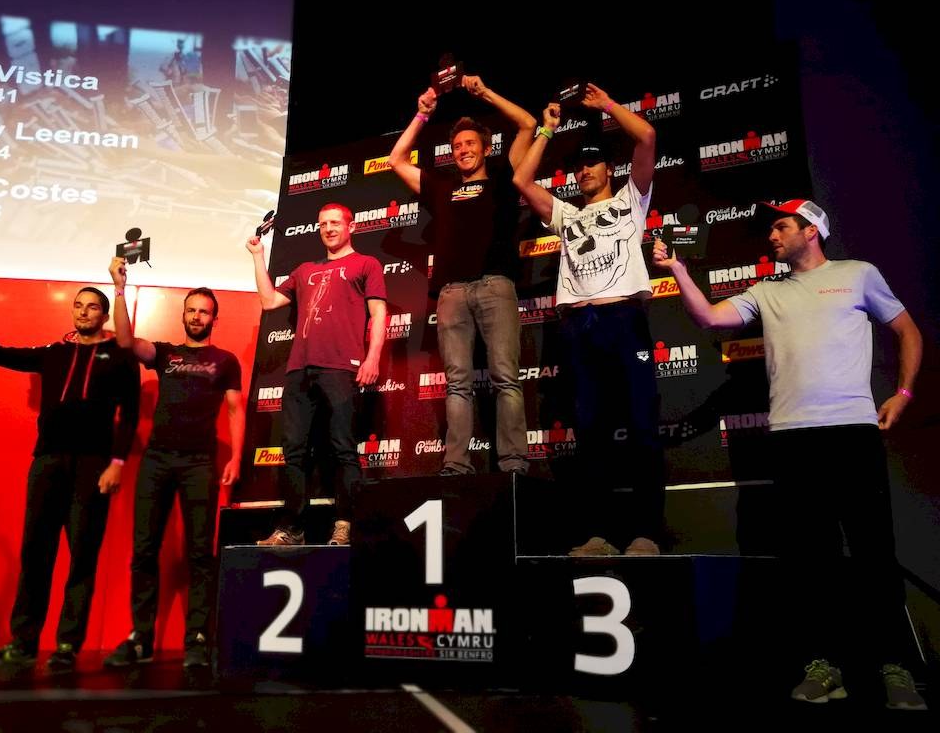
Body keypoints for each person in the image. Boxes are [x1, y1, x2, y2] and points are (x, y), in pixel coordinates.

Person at [653, 199, 926, 710]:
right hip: (792, 439)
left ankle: (895, 667)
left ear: (812, 231)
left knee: (873, 554)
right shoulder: (767, 290)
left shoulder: (858, 274)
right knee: (811, 560)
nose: (772, 236)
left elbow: (908, 330)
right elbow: (710, 318)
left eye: (782, 226)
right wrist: (678, 270)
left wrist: (904, 394)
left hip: (852, 433)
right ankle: (824, 666)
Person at [0, 283, 139, 671]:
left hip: (92, 466)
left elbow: (130, 413)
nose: (83, 312)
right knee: (35, 553)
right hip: (47, 462)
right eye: (78, 306)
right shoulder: (54, 353)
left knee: (82, 556)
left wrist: (117, 462)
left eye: (92, 307)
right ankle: (24, 642)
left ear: (104, 316)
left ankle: (67, 646)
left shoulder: (119, 358)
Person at [511, 86, 664, 556]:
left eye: (592, 163)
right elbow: (521, 179)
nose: (584, 171)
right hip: (579, 327)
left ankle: (646, 533)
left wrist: (609, 107)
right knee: (589, 431)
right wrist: (546, 129)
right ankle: (598, 534)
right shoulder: (566, 214)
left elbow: (647, 136)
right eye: (578, 166)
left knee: (641, 424)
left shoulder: (631, 200)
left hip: (625, 318)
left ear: (609, 169)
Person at [388, 75, 534, 477]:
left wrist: (485, 93)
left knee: (506, 378)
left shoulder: (504, 178)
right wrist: (422, 114)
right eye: (456, 146)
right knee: (457, 384)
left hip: (495, 285)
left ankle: (514, 464)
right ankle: (456, 463)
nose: (463, 150)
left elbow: (528, 125)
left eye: (470, 144)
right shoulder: (441, 188)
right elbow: (396, 159)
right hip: (451, 293)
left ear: (486, 148)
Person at [103, 263, 243, 669]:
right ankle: (141, 638)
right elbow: (126, 341)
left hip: (199, 463)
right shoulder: (164, 353)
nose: (197, 317)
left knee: (200, 553)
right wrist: (119, 287)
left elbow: (235, 410)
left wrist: (235, 456)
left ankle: (197, 638)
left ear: (214, 318)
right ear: (183, 314)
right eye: (192, 310)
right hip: (157, 460)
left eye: (204, 312)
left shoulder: (226, 360)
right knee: (144, 549)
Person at [246, 203, 387, 546]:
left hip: (341, 368)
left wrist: (372, 358)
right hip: (299, 370)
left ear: (351, 227)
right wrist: (258, 256)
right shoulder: (305, 270)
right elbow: (268, 302)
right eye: (323, 224)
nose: (329, 229)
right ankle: (292, 528)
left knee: (342, 448)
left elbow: (379, 314)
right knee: (294, 451)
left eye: (335, 222)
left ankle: (344, 523)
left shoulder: (366, 264)